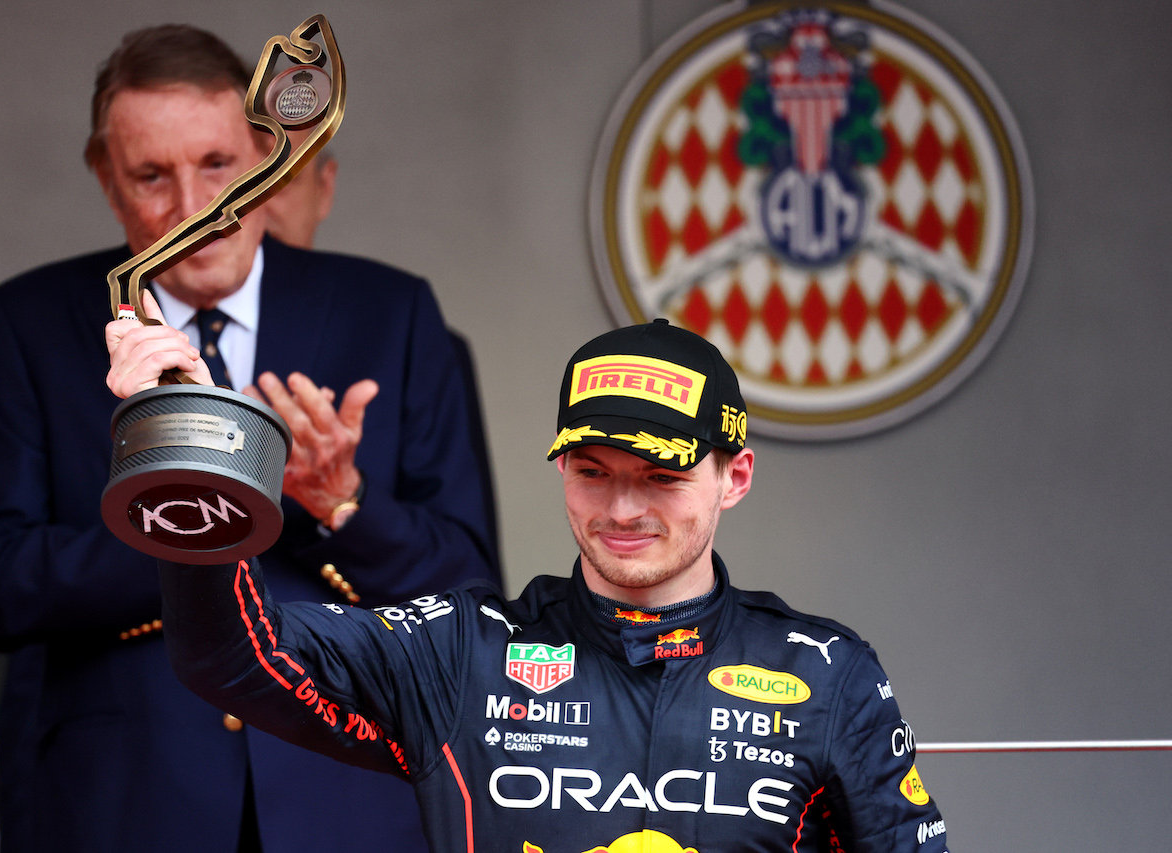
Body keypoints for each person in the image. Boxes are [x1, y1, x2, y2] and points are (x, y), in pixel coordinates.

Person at [0, 24, 500, 853]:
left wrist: (340, 504)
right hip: (128, 799)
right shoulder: (30, 322)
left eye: (218, 167)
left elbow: (471, 590)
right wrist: (186, 505)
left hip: (344, 793)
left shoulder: (390, 310)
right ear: (106, 178)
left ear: (268, 158)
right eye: (150, 176)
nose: (194, 210)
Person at [106, 314, 949, 851]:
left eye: (661, 478)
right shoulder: (460, 650)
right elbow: (231, 655)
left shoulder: (827, 673)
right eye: (591, 470)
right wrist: (189, 443)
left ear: (735, 477)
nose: (622, 508)